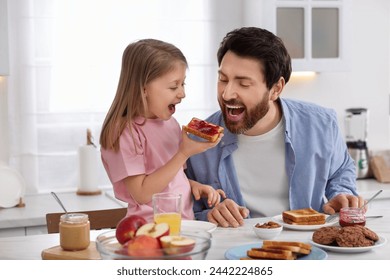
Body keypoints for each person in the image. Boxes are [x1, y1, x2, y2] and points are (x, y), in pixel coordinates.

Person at [185, 27, 364, 228]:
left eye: (243, 84)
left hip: (308, 248)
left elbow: (341, 169)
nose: (227, 94)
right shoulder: (197, 140)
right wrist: (210, 215)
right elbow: (184, 209)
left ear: (275, 89)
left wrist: (341, 193)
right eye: (223, 79)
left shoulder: (321, 123)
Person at [99, 39, 224, 222]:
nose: (182, 93)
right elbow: (142, 193)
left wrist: (192, 185)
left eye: (183, 84)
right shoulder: (125, 132)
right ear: (144, 88)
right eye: (174, 86)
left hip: (183, 227)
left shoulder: (171, 124)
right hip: (148, 229)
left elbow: (169, 178)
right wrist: (183, 153)